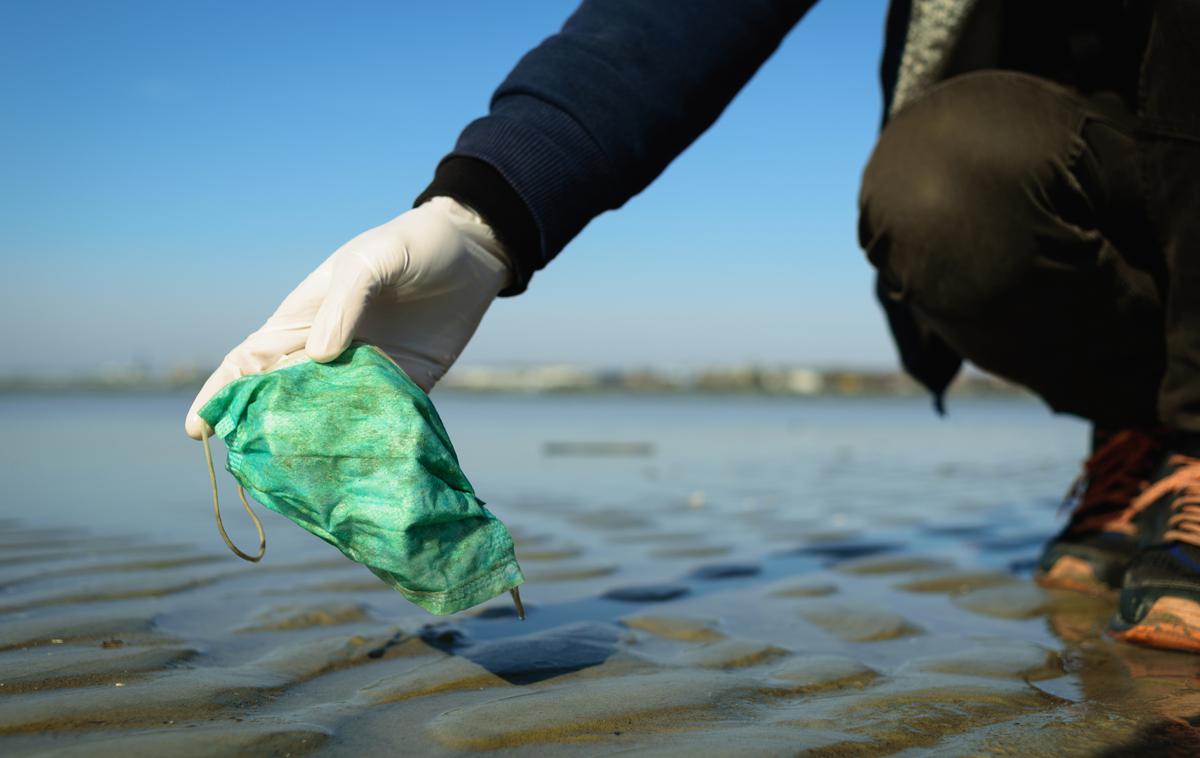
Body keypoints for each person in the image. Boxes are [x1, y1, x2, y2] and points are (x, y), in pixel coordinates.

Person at [184, 0, 1200, 653]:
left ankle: (1191, 441)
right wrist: (484, 216)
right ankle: (1136, 427)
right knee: (942, 185)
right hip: (1097, 191)